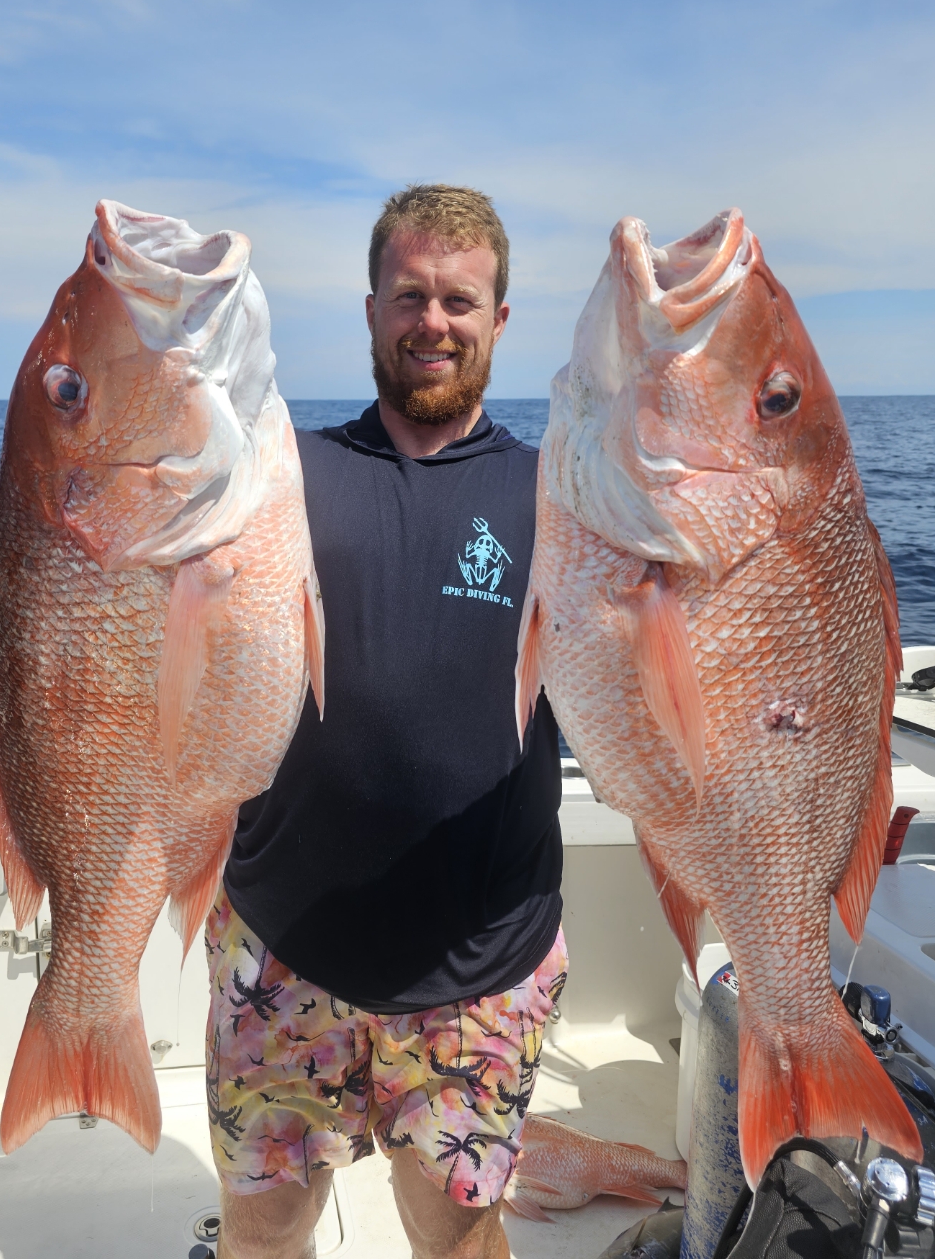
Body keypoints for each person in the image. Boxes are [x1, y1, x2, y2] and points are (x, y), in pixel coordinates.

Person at [206, 184, 565, 1259]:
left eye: (461, 299)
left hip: (485, 961)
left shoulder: (559, 496)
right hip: (284, 945)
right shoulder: (283, 475)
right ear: (369, 309)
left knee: (457, 1238)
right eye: (409, 294)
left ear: (499, 321)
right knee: (264, 1234)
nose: (433, 321)